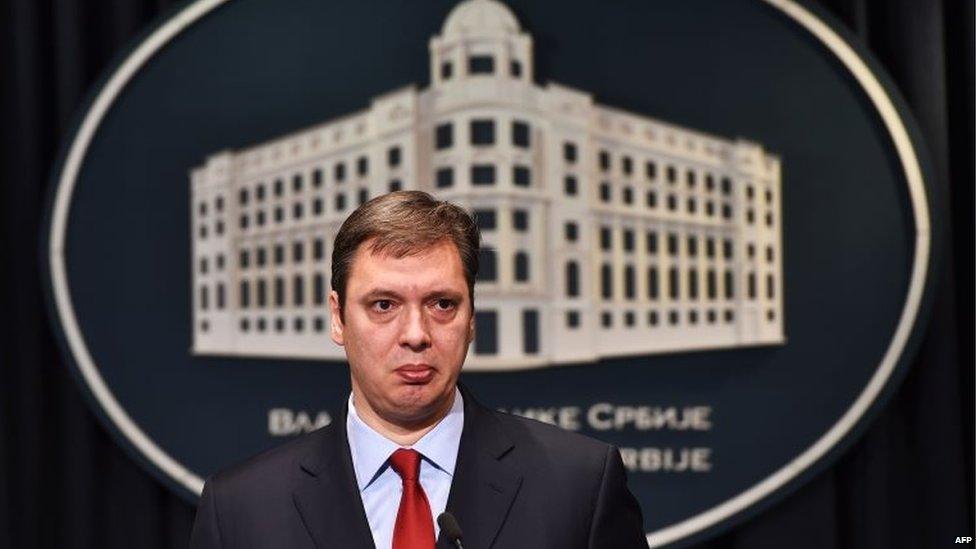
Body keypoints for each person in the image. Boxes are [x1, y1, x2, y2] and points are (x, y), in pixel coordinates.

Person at [189, 191, 649, 548]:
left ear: (471, 318)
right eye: (384, 305)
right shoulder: (242, 508)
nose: (416, 333)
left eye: (442, 304)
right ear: (337, 317)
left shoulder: (579, 484)